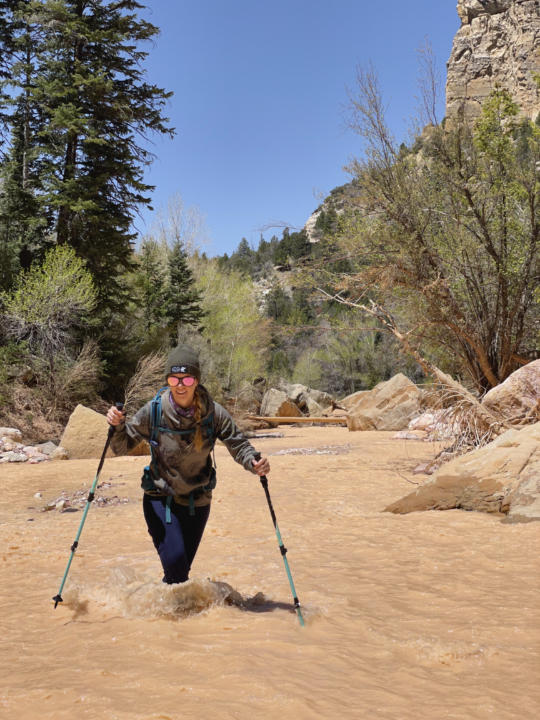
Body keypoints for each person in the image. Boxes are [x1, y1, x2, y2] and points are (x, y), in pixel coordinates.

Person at [106, 344, 270, 585]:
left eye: (187, 378)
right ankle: (167, 617)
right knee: (178, 571)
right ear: (168, 380)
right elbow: (121, 447)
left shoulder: (215, 413)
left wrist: (254, 462)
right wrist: (117, 425)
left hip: (198, 503)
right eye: (174, 378)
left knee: (178, 578)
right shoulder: (155, 410)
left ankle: (162, 612)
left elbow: (240, 446)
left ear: (197, 380)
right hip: (160, 499)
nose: (180, 385)